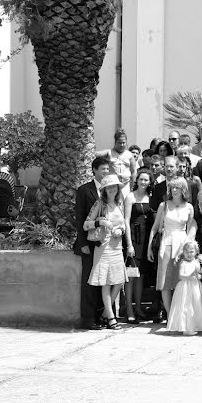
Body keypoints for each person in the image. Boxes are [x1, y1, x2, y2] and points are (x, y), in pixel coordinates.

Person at [83, 173, 129, 331]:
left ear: (117, 188)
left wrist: (121, 230)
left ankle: (104, 313)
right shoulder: (99, 204)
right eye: (108, 187)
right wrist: (100, 222)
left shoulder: (120, 203)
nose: (111, 189)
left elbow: (123, 223)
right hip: (103, 247)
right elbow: (86, 224)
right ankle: (110, 317)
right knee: (106, 282)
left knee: (118, 281)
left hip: (117, 247)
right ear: (104, 189)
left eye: (114, 186)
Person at [147, 177, 197, 321]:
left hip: (182, 245)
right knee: (165, 282)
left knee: (181, 280)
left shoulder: (189, 207)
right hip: (167, 243)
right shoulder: (163, 205)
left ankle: (181, 314)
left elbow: (191, 227)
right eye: (172, 188)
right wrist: (150, 247)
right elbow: (155, 227)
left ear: (183, 190)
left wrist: (190, 245)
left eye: (178, 187)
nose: (174, 190)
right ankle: (170, 315)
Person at [74, 156, 110, 329]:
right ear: (94, 170)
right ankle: (88, 319)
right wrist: (82, 244)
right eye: (102, 169)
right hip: (89, 244)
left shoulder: (110, 191)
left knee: (102, 281)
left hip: (105, 244)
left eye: (107, 169)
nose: (105, 172)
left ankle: (101, 316)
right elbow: (79, 217)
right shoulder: (84, 190)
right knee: (88, 282)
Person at [123, 167, 153, 322]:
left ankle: (139, 308)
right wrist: (129, 244)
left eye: (146, 180)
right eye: (141, 179)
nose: (143, 182)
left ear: (149, 182)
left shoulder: (150, 197)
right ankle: (129, 309)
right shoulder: (130, 197)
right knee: (131, 276)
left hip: (146, 239)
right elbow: (126, 221)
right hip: (134, 238)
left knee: (141, 276)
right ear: (137, 180)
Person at [165, 240, 202, 335]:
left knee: (196, 305)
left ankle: (196, 325)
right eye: (186, 252)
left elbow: (199, 274)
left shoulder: (196, 262)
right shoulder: (183, 263)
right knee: (185, 306)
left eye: (191, 252)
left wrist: (199, 276)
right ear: (183, 252)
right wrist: (190, 276)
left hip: (195, 286)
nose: (189, 254)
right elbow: (181, 276)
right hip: (185, 286)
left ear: (196, 252)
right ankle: (186, 327)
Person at [96, 129, 135, 197]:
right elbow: (94, 154)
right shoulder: (109, 152)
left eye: (124, 143)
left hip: (126, 185)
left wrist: (133, 185)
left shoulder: (130, 155)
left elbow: (133, 171)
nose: (122, 145)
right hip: (112, 185)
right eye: (120, 143)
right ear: (115, 142)